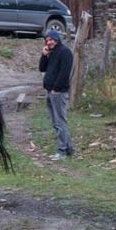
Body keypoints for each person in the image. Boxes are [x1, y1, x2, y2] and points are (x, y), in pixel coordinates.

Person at [38, 28, 74, 159]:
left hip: (58, 92)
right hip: (49, 92)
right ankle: (69, 148)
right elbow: (42, 68)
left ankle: (62, 151)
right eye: (47, 40)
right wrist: (44, 55)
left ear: (57, 39)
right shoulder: (51, 53)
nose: (49, 42)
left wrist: (56, 89)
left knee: (60, 122)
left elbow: (64, 73)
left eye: (52, 39)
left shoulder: (65, 52)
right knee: (56, 122)